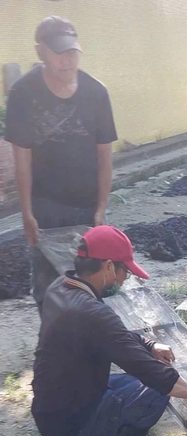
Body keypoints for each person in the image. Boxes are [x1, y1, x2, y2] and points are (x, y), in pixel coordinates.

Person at [31, 225, 187, 436]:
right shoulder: (92, 313)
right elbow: (152, 373)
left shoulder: (61, 288)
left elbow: (108, 335)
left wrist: (149, 344)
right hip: (69, 426)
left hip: (50, 413)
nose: (125, 278)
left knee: (123, 382)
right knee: (154, 392)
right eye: (124, 271)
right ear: (108, 266)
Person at [5, 16, 117, 313]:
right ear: (40, 51)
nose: (67, 61)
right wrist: (27, 212)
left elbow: (104, 155)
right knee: (47, 288)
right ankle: (53, 339)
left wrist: (101, 207)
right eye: (59, 53)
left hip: (87, 203)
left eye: (72, 52)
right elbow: (22, 159)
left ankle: (89, 337)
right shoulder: (23, 93)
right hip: (45, 205)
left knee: (93, 284)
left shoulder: (96, 93)